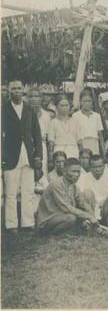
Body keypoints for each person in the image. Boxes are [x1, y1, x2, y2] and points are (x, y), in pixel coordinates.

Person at [2, 80, 43, 234]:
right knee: (10, 193)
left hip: (28, 156)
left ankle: (28, 223)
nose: (16, 91)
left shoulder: (29, 110)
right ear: (9, 91)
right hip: (10, 156)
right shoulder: (3, 110)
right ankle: (11, 225)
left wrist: (38, 155)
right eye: (13, 89)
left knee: (28, 191)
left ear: (23, 91)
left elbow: (37, 135)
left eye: (19, 88)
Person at [36, 158, 98, 235]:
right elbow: (66, 208)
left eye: (78, 172)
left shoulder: (74, 185)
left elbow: (83, 203)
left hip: (61, 216)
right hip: (47, 220)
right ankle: (51, 234)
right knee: (71, 218)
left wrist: (93, 216)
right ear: (64, 172)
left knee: (78, 214)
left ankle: (74, 230)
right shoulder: (56, 184)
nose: (76, 174)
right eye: (73, 171)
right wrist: (88, 216)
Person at [27, 87, 52, 177]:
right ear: (27, 99)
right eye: (31, 96)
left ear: (41, 98)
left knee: (41, 172)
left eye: (36, 96)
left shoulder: (46, 115)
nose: (34, 99)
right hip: (27, 145)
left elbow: (49, 136)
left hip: (42, 146)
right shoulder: (24, 113)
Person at [72, 91, 105, 156]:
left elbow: (100, 135)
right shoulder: (75, 116)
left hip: (94, 143)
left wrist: (103, 151)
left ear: (92, 102)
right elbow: (75, 134)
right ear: (80, 102)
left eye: (89, 101)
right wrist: (80, 148)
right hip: (82, 143)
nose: (87, 103)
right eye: (84, 101)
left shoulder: (96, 116)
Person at [48, 94, 79, 160]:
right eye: (61, 105)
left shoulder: (75, 121)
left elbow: (79, 141)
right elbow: (51, 143)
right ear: (56, 107)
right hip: (59, 152)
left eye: (66, 105)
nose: (64, 108)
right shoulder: (53, 122)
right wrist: (50, 159)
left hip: (73, 151)